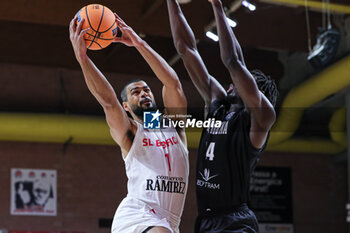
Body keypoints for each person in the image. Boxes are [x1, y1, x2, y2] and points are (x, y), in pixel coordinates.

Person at [69, 13, 189, 233]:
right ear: (126, 106)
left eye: (146, 90)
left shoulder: (174, 126)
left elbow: (173, 85)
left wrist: (138, 43)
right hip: (138, 216)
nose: (143, 93)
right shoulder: (132, 132)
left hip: (169, 222)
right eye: (135, 92)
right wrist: (83, 59)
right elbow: (108, 102)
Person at [166, 0, 278, 232]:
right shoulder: (217, 103)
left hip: (235, 221)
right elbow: (186, 49)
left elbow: (233, 62)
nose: (231, 82)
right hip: (206, 219)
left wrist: (217, 6)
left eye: (241, 81)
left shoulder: (260, 119)